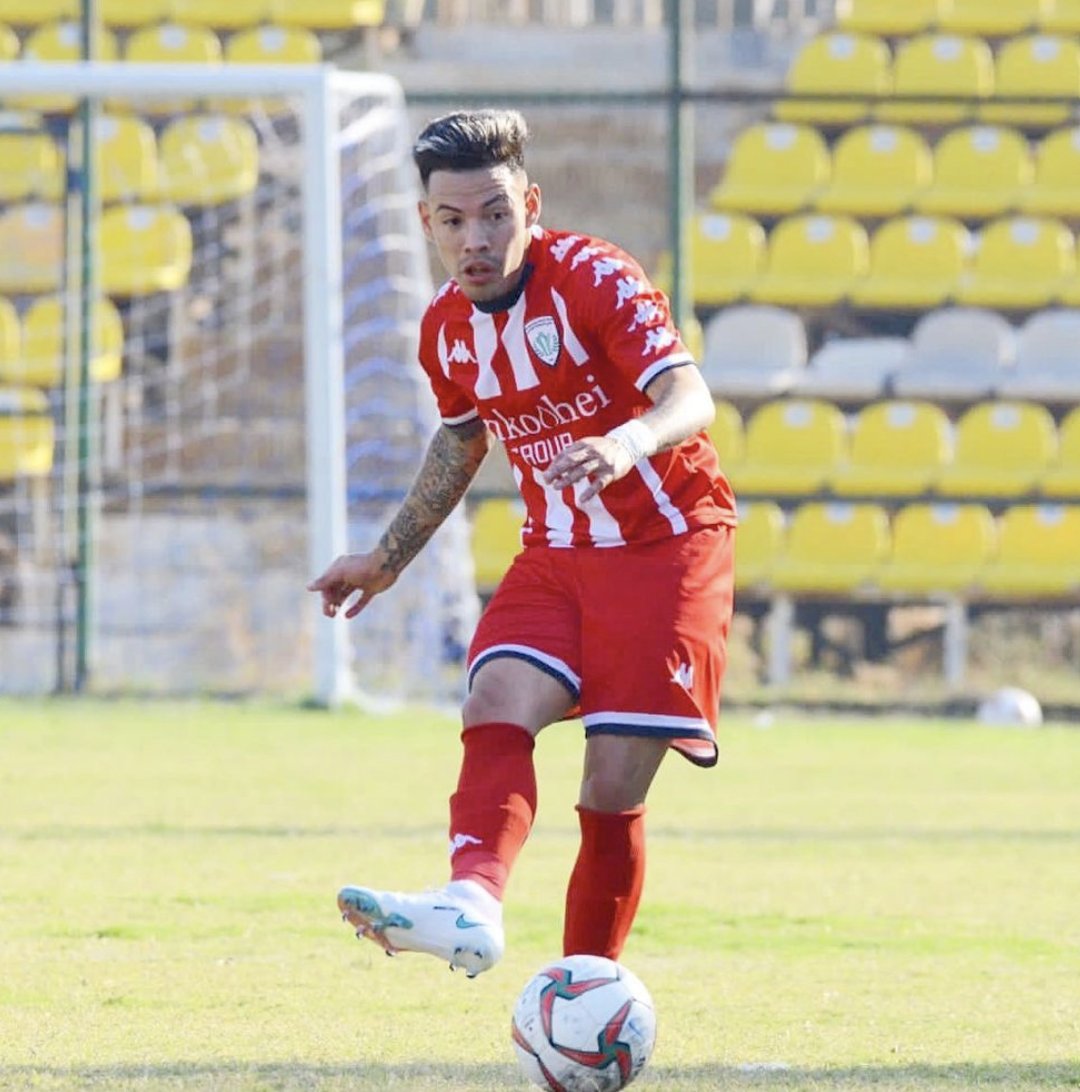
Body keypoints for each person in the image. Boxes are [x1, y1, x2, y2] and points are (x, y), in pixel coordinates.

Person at [308, 109, 737, 978]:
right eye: (455, 220)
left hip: (666, 543)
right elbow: (463, 440)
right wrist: (384, 560)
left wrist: (627, 441)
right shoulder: (445, 330)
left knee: (611, 787)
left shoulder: (595, 278)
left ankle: (582, 991)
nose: (478, 239)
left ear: (530, 206)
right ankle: (470, 903)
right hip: (558, 551)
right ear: (427, 224)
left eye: (496, 214)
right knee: (494, 695)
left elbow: (692, 397)